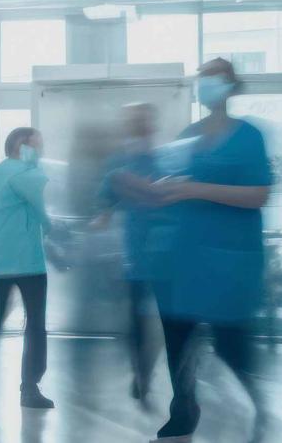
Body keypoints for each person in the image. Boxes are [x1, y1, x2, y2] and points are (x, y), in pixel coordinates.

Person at [150, 58, 274, 442]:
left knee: (232, 344)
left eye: (213, 79)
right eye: (201, 80)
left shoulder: (249, 136)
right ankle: (184, 408)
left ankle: (259, 407)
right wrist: (165, 189)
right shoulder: (189, 134)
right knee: (178, 336)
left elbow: (259, 195)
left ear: (231, 86)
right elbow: (177, 184)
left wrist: (196, 189)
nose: (206, 86)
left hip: (232, 260)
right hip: (185, 258)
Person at [0, 127, 55, 410]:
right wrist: (62, 234)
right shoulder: (24, 173)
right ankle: (29, 388)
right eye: (38, 145)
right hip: (26, 259)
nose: (41, 150)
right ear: (22, 145)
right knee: (35, 324)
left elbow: (6, 210)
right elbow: (46, 205)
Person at [98, 102, 167, 402]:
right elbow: (105, 203)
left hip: (167, 257)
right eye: (132, 120)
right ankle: (142, 376)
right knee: (136, 324)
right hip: (135, 257)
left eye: (141, 120)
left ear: (150, 125)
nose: (137, 125)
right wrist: (101, 220)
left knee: (172, 324)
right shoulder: (118, 164)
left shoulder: (165, 161)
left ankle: (165, 376)